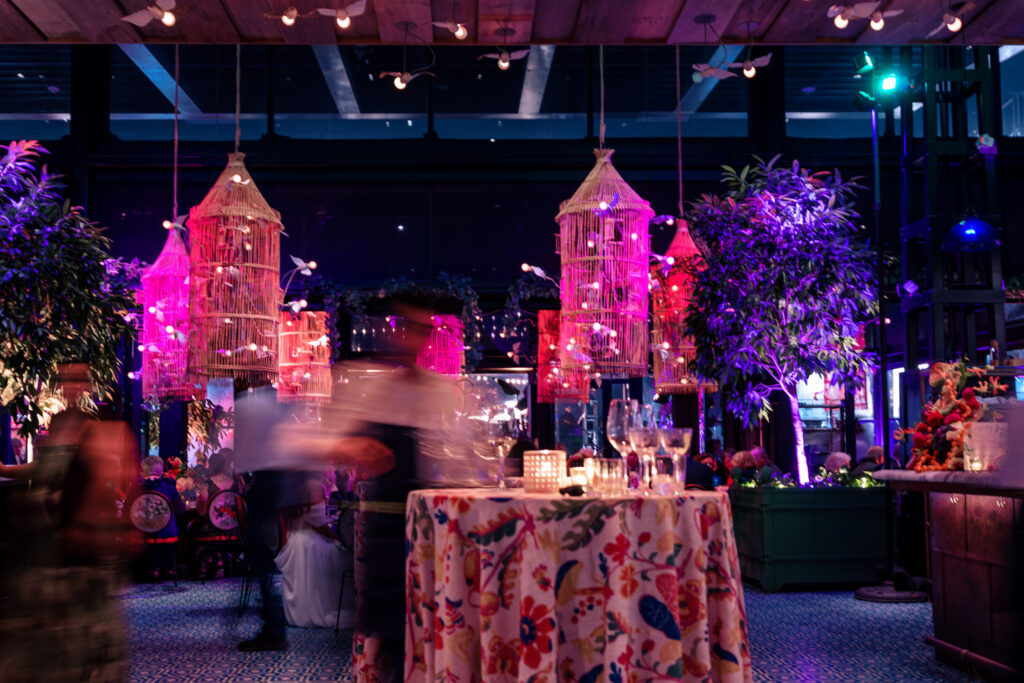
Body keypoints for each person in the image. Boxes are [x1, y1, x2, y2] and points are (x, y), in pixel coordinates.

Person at [0, 362, 140, 681]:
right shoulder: (62, 422)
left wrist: (120, 528)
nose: (72, 386)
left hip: (86, 537)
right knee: (61, 624)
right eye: (67, 380)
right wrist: (7, 471)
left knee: (88, 624)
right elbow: (46, 470)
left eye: (78, 380)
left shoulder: (96, 425)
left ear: (87, 385)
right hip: (60, 533)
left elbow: (113, 478)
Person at [274, 471, 351, 628]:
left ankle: (299, 613)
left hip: (292, 541)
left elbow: (281, 515)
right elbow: (320, 525)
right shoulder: (314, 486)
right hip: (309, 543)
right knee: (344, 554)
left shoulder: (289, 487)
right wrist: (337, 536)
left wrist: (283, 541)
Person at [126, 456, 186, 579]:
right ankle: (170, 567)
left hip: (142, 534)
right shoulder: (169, 486)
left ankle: (146, 569)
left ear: (144, 471)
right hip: (167, 534)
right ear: (161, 471)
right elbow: (181, 510)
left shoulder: (136, 486)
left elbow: (126, 512)